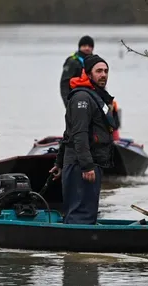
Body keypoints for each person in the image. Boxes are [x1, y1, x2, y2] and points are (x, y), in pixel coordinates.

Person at [49, 55, 120, 224]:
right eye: (99, 71)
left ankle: (75, 247)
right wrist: (87, 166)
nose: (103, 75)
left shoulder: (96, 96)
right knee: (80, 215)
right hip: (81, 166)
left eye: (106, 71)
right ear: (87, 74)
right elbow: (77, 134)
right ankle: (74, 245)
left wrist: (58, 163)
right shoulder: (82, 98)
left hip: (89, 163)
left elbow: (67, 133)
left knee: (88, 214)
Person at [59, 35, 94, 104]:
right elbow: (64, 84)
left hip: (91, 99)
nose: (87, 48)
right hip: (76, 99)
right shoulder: (72, 62)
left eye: (89, 46)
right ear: (79, 47)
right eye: (84, 46)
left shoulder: (94, 61)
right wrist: (68, 103)